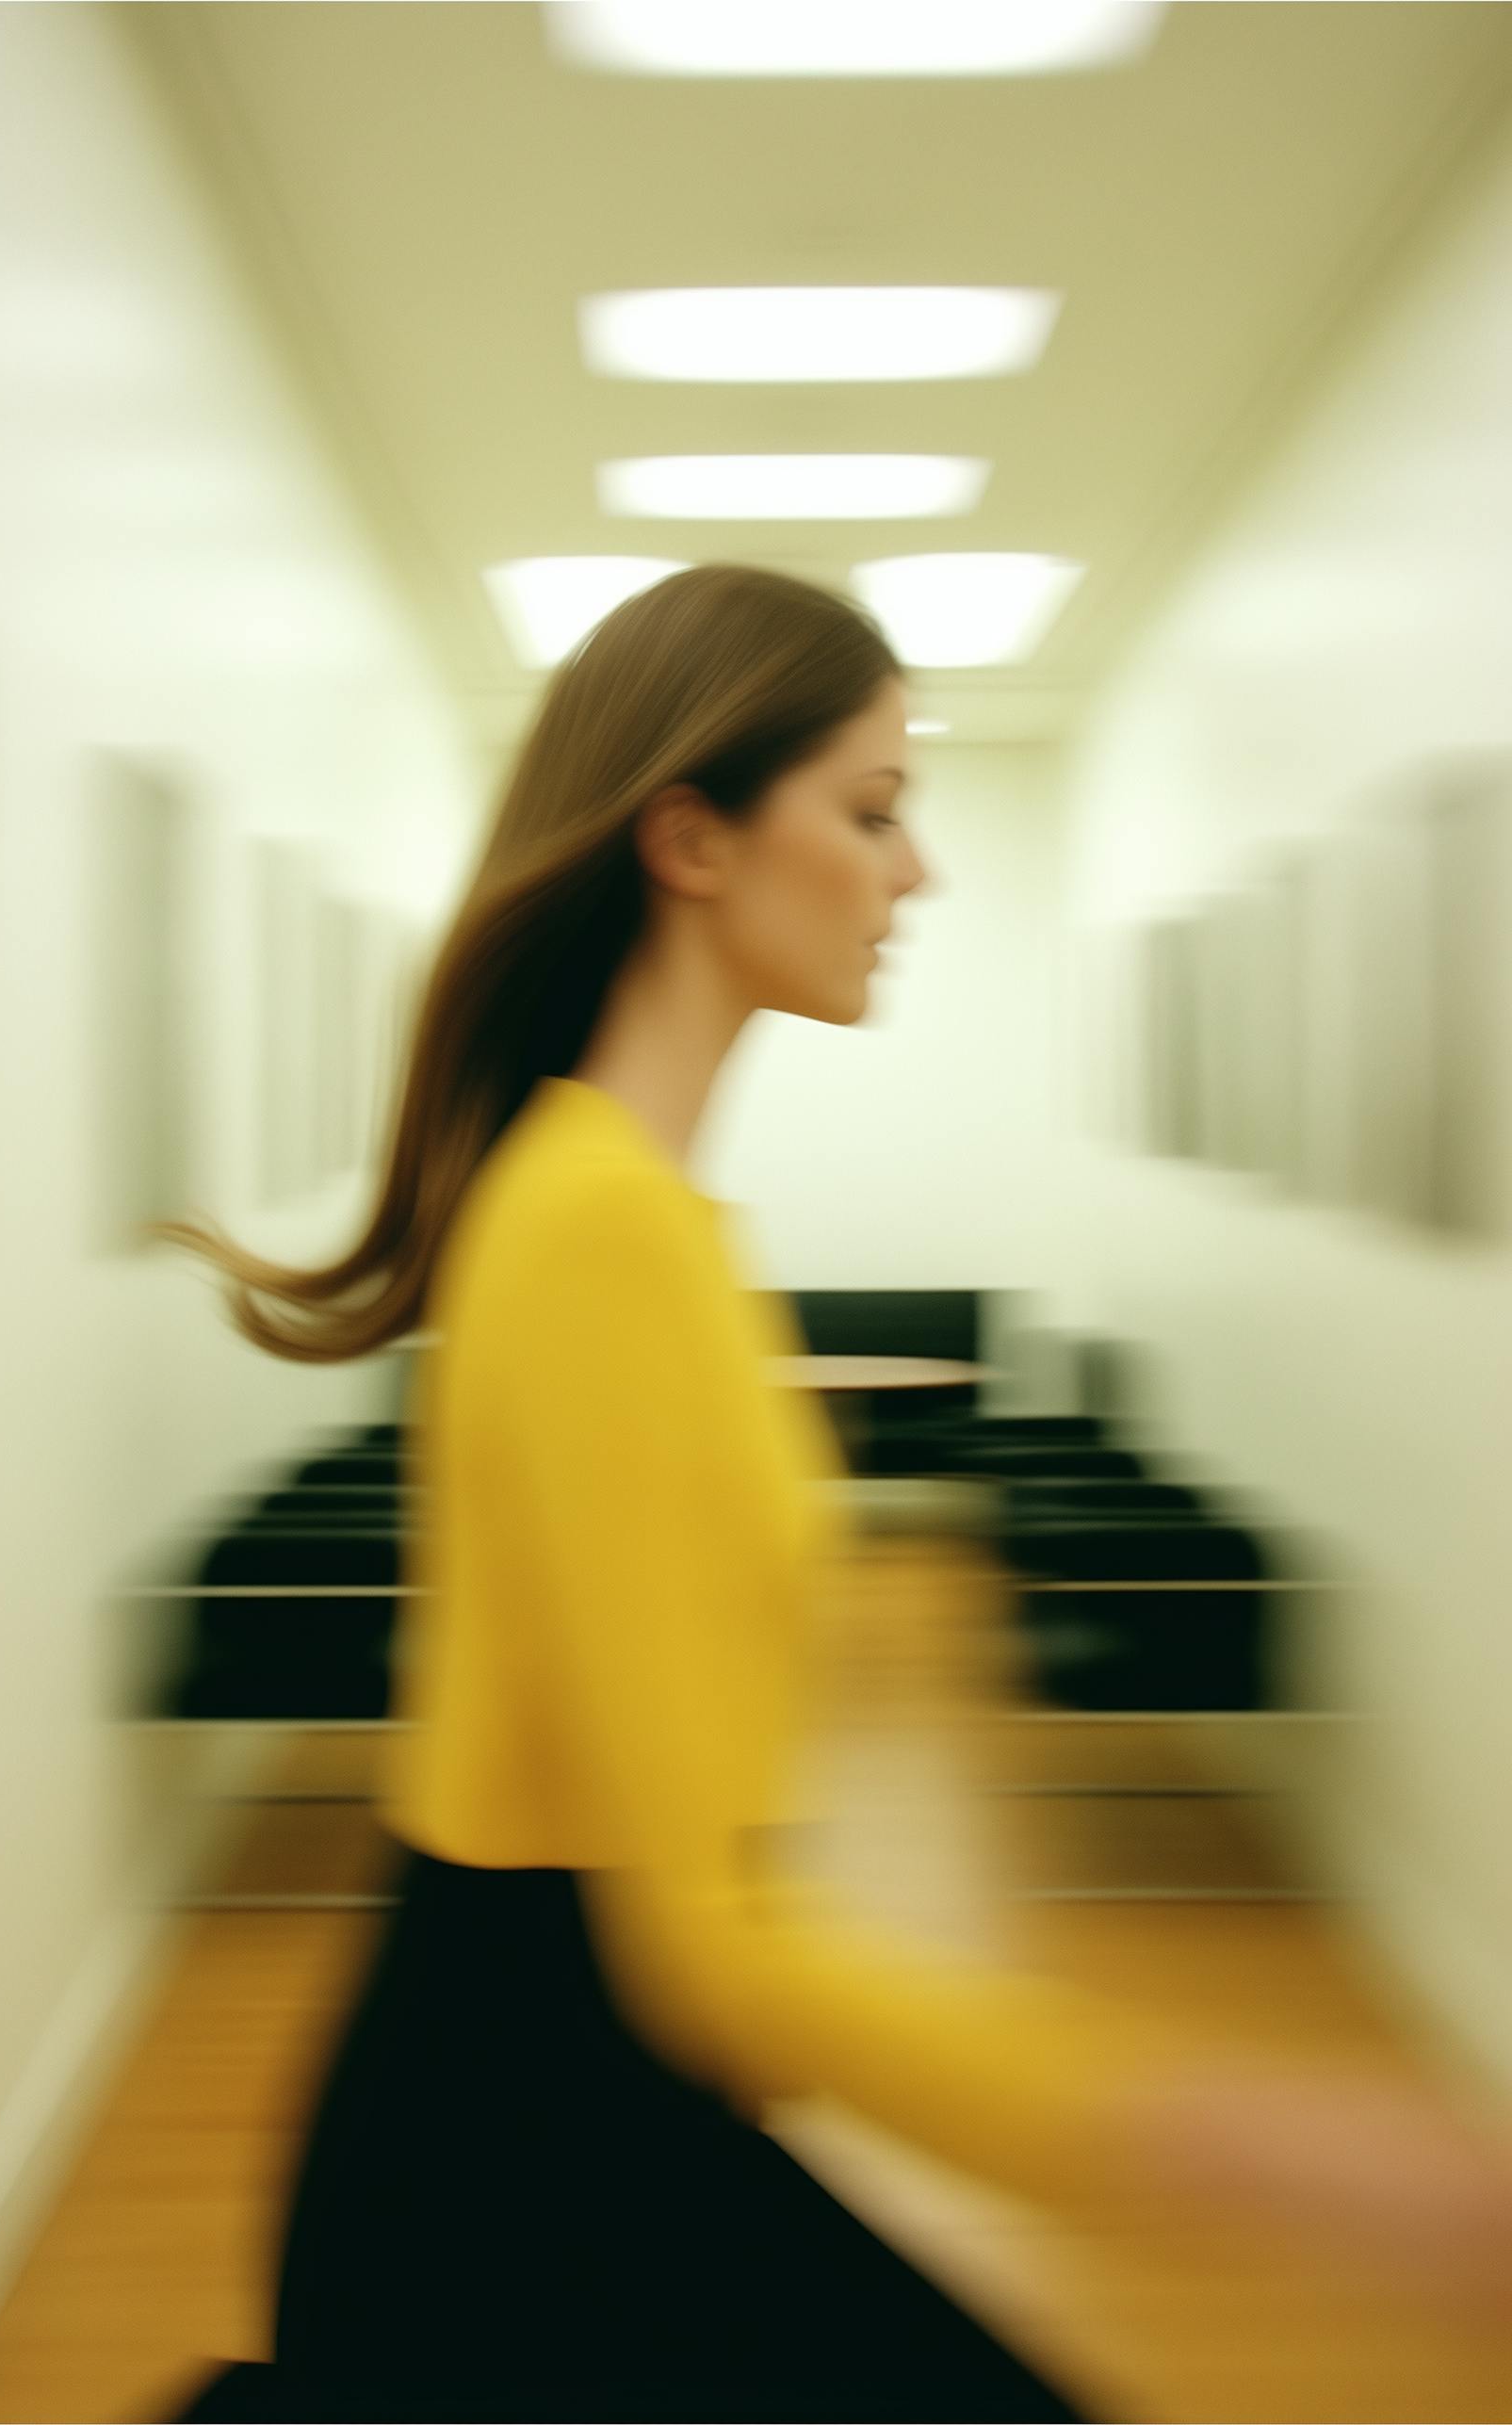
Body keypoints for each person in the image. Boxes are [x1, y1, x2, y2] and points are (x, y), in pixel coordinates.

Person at [154, 565, 1512, 2423]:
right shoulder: (597, 1233)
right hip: (518, 2151)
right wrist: (1253, 2144)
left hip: (559, 2097)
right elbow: (714, 1954)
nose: (914, 874)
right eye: (870, 812)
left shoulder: (631, 1214)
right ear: (691, 840)